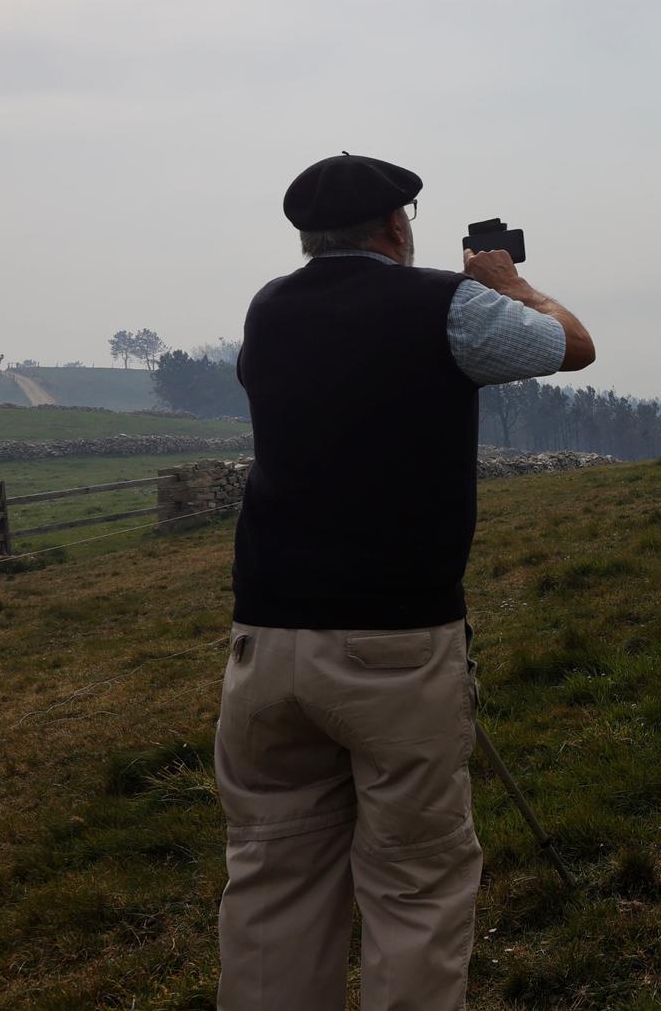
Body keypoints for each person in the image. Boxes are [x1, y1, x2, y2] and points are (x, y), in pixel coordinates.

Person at [214, 153, 594, 1010]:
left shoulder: (268, 309)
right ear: (397, 226)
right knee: (415, 884)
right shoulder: (445, 304)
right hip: (393, 641)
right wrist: (510, 285)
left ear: (308, 236)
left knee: (273, 879)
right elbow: (574, 346)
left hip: (265, 638)